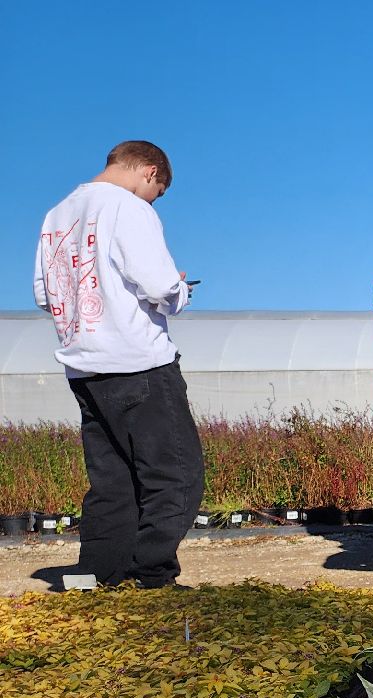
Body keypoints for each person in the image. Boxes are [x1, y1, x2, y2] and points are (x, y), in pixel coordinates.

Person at [32, 140, 204, 589]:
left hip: (84, 367)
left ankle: (94, 576)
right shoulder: (127, 208)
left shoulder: (57, 215)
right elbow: (158, 283)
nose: (153, 200)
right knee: (176, 475)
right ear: (149, 172)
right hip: (138, 361)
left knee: (112, 480)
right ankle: (150, 576)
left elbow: (42, 294)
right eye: (158, 191)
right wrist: (181, 290)